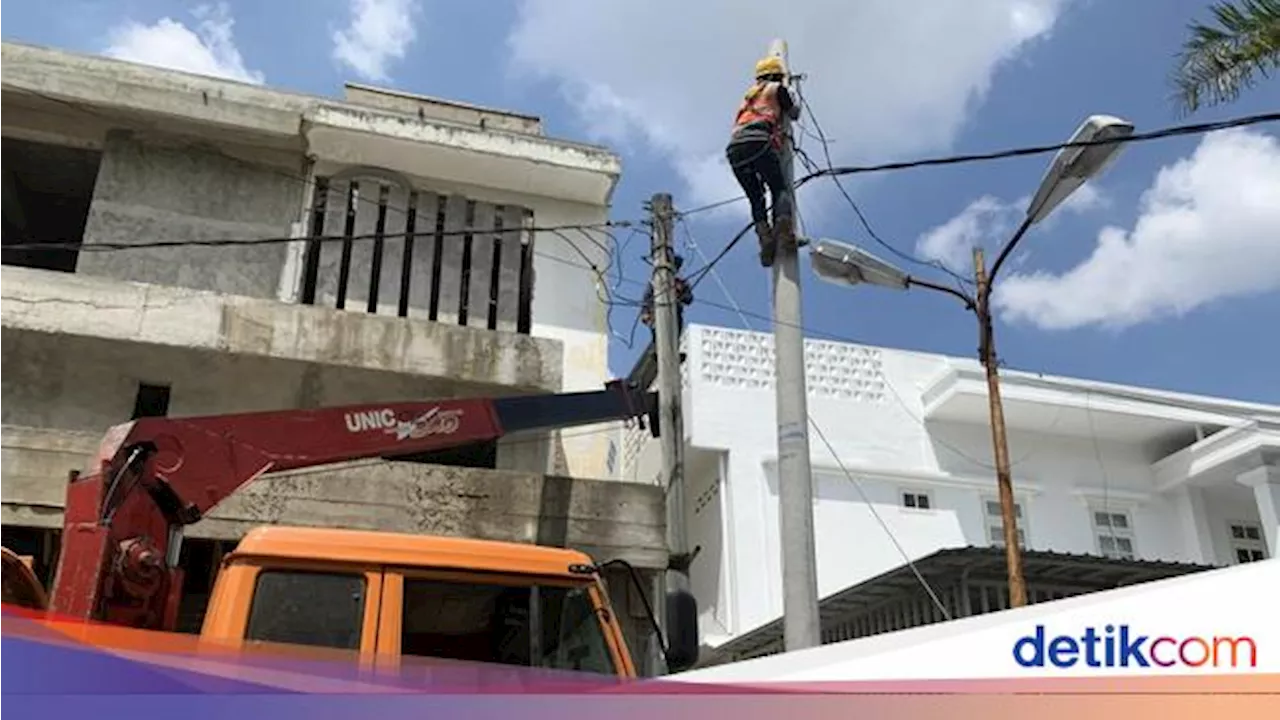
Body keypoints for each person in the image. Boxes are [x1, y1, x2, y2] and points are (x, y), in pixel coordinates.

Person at [725, 55, 802, 268]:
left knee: (756, 197)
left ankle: (765, 238)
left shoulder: (748, 96)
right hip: (758, 140)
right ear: (777, 75)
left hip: (735, 148)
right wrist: (790, 91)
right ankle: (784, 231)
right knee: (780, 189)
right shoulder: (776, 89)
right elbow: (794, 113)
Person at [640, 254, 693, 335]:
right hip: (656, 314)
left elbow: (689, 299)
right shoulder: (656, 281)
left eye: (676, 267)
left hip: (675, 314)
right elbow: (647, 298)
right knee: (659, 337)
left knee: (675, 337)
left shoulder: (681, 283)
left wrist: (679, 294)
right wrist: (645, 313)